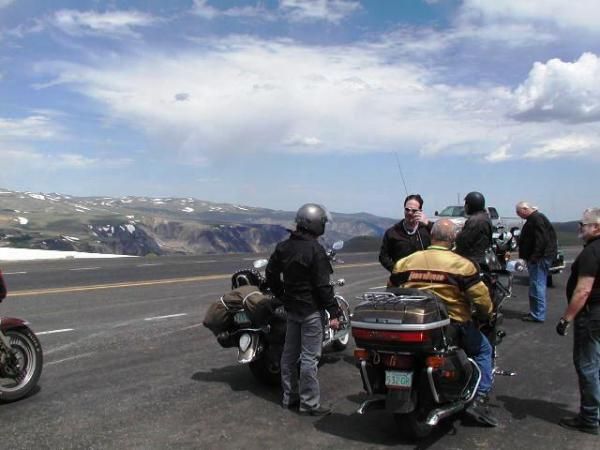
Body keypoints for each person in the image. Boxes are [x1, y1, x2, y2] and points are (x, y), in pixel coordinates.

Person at [390, 218, 498, 427]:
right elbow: (481, 299)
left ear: (432, 236)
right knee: (483, 349)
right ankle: (480, 396)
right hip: (451, 324)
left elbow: (391, 291)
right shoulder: (462, 266)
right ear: (454, 239)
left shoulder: (405, 262)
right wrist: (487, 314)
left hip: (412, 323)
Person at [265, 203, 340, 416]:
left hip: (292, 309)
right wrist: (334, 313)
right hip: (311, 311)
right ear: (316, 224)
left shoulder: (283, 247)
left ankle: (289, 397)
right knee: (309, 358)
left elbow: (271, 275)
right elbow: (323, 287)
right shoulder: (316, 250)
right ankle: (309, 404)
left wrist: (282, 296)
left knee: (289, 356)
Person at [556, 208, 600, 435]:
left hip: (592, 315)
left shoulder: (592, 252)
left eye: (584, 224)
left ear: (597, 228)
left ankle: (590, 417)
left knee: (587, 365)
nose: (580, 228)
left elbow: (583, 291)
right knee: (596, 364)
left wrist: (566, 318)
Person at [516, 201, 557, 323]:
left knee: (537, 285)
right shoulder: (534, 219)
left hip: (539, 259)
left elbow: (541, 240)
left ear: (525, 209)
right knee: (536, 285)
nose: (518, 215)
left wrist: (534, 257)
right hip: (539, 258)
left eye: (518, 212)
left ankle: (538, 314)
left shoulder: (537, 219)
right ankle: (536, 312)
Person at [379, 194, 432, 273]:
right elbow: (383, 256)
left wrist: (428, 224)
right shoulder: (392, 232)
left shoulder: (428, 230)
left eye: (414, 210)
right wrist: (395, 270)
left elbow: (444, 240)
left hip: (423, 279)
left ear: (420, 212)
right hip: (400, 280)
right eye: (407, 209)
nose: (410, 213)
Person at [455, 191, 493, 269]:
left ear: (472, 205)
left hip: (473, 262)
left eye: (466, 204)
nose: (465, 206)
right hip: (480, 259)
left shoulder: (476, 221)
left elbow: (462, 241)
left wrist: (457, 234)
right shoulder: (484, 217)